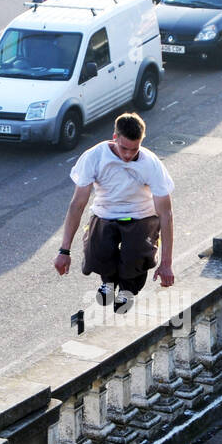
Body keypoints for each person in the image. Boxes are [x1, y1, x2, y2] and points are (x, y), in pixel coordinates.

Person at [54, 113, 175, 313]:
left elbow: (166, 214)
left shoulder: (151, 164)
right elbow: (77, 204)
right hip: (105, 213)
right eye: (124, 148)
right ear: (114, 138)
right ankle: (108, 282)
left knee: (135, 256)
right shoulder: (94, 156)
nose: (128, 155)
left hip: (141, 215)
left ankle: (127, 289)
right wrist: (64, 251)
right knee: (97, 253)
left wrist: (166, 264)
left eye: (134, 149)